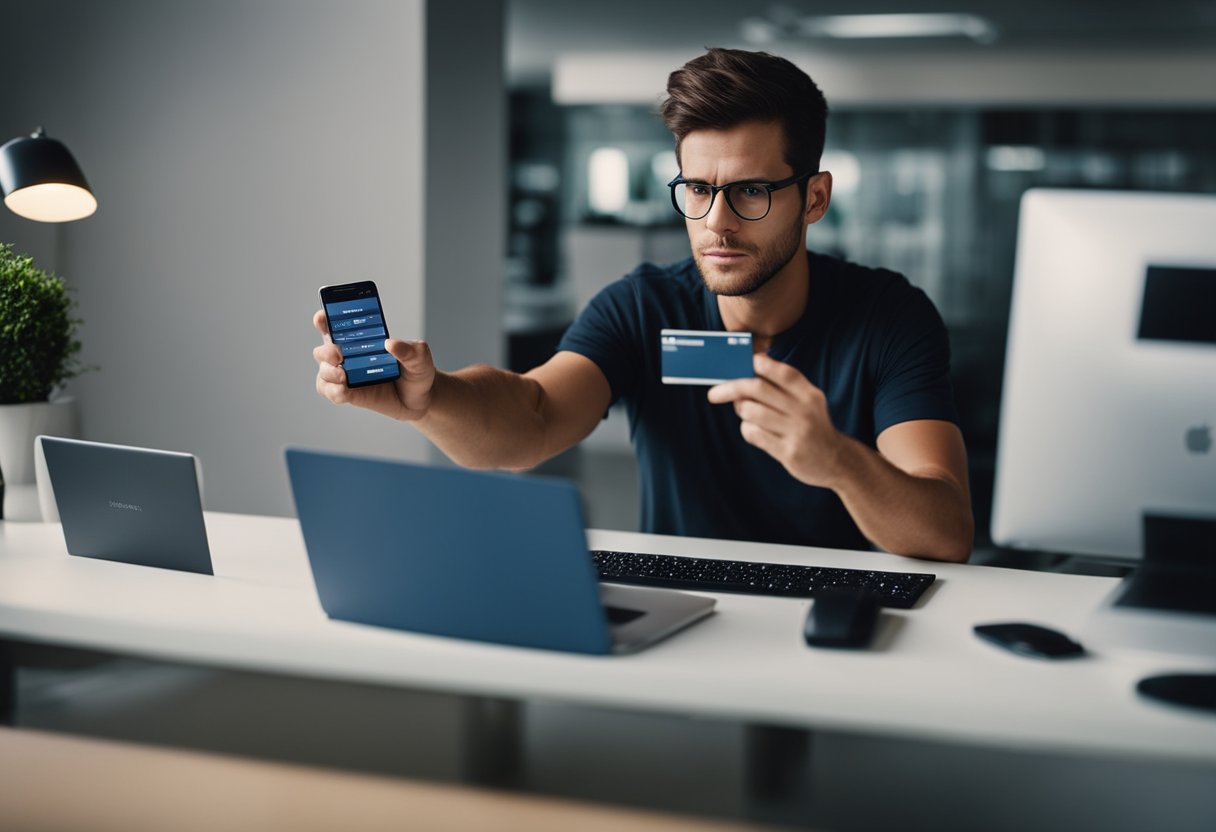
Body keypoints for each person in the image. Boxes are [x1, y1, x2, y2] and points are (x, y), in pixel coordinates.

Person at [313, 48, 974, 563]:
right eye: (697, 189)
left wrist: (839, 462)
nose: (717, 222)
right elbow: (532, 412)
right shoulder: (644, 306)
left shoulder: (890, 316)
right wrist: (433, 400)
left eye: (750, 191)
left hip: (842, 617)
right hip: (690, 611)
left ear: (815, 199)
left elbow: (946, 532)